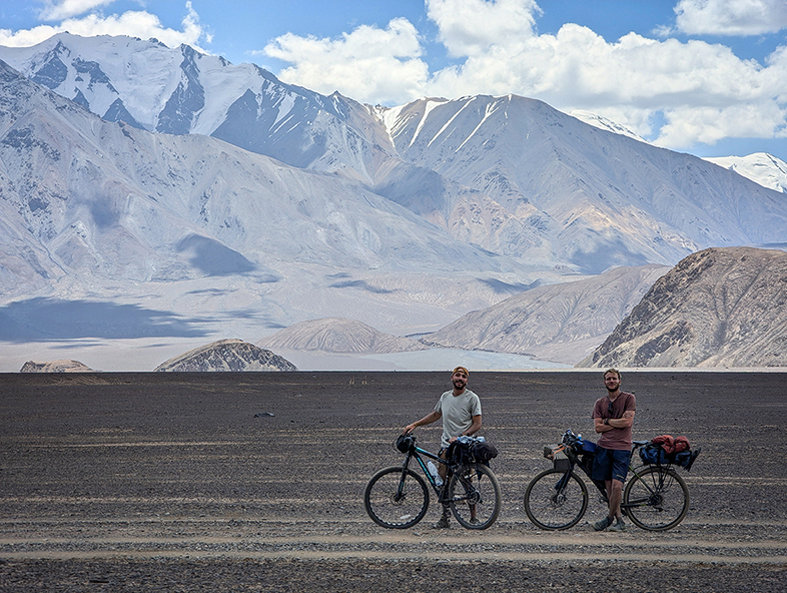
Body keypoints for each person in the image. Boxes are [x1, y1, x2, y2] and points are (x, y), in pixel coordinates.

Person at [403, 366, 482, 529]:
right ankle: (445, 518)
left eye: (464, 377)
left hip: (463, 447)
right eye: (457, 375)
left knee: (467, 482)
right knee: (443, 483)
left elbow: (477, 424)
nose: (460, 379)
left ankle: (473, 518)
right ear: (452, 378)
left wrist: (461, 437)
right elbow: (436, 414)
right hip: (446, 447)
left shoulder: (472, 398)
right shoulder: (445, 397)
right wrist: (415, 424)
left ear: (467, 381)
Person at [591, 368, 636, 532]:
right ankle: (619, 521)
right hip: (604, 448)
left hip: (622, 448)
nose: (611, 381)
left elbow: (627, 423)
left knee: (617, 486)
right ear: (605, 382)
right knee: (609, 487)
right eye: (608, 379)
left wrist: (607, 421)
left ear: (619, 381)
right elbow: (597, 428)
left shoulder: (629, 398)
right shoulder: (599, 403)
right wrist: (617, 422)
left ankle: (608, 519)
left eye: (614, 378)